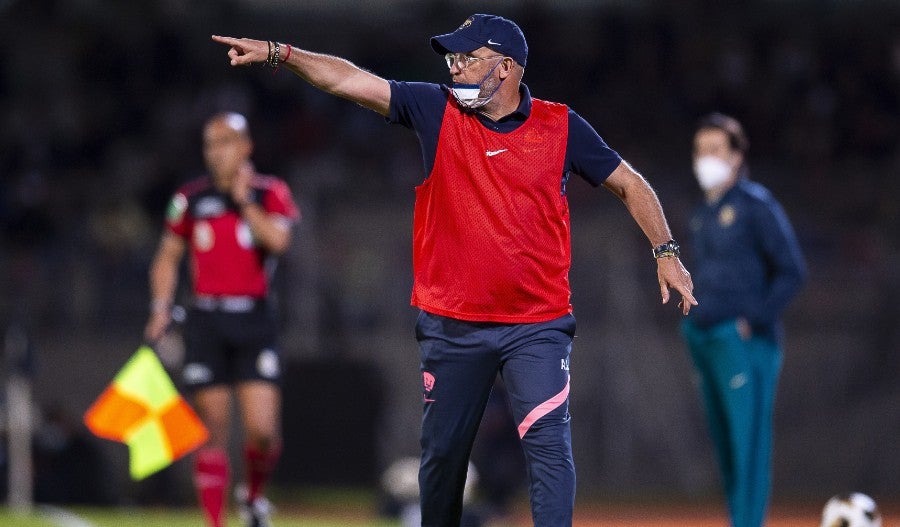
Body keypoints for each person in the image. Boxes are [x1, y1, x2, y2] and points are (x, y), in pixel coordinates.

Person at [212, 14, 696, 527]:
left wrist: (666, 251)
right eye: (453, 58)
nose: (456, 68)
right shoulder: (434, 108)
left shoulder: (561, 125)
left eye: (469, 58)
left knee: (550, 450)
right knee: (442, 462)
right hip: (452, 324)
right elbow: (348, 79)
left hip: (537, 326)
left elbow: (630, 183)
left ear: (506, 67)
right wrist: (280, 54)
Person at [143, 112, 299, 527]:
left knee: (263, 431)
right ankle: (215, 522)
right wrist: (161, 307)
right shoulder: (190, 198)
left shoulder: (270, 193)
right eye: (211, 144)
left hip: (254, 319)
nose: (217, 152)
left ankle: (252, 495)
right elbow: (167, 257)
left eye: (226, 142)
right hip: (206, 320)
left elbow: (279, 242)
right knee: (212, 427)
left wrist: (244, 200)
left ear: (246, 147)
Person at [680, 113, 806, 527]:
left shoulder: (756, 206)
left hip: (745, 341)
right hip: (706, 338)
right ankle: (739, 519)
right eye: (700, 150)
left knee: (748, 444)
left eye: (716, 149)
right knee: (725, 444)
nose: (706, 159)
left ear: (736, 157)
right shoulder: (703, 214)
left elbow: (792, 270)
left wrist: (754, 318)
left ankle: (748, 522)